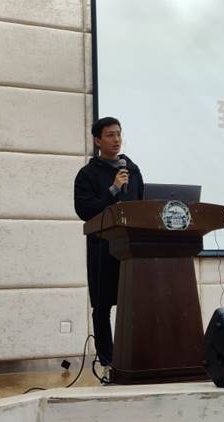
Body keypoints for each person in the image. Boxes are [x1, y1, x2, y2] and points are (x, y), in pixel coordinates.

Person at [73, 117, 144, 366]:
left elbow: (142, 206)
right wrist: (113, 190)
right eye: (110, 135)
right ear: (97, 140)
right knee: (102, 306)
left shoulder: (133, 170)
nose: (116, 140)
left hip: (131, 248)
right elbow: (85, 210)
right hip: (102, 248)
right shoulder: (87, 174)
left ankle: (135, 356)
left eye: (118, 134)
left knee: (135, 301)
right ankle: (107, 361)